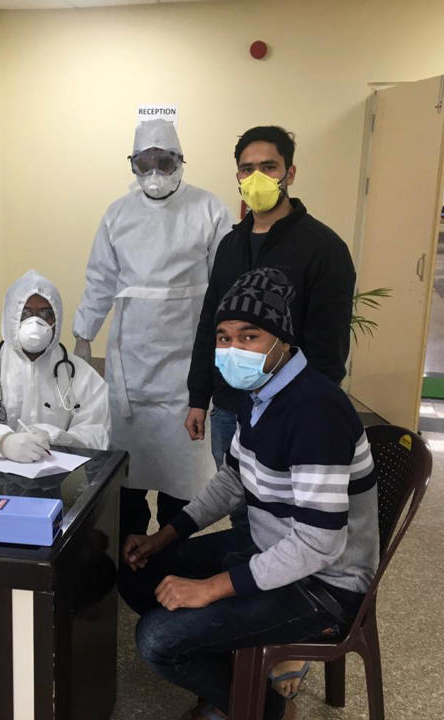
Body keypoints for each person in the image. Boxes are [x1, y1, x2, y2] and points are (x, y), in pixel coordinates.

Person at [121, 268, 378, 720]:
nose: (232, 350)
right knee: (137, 576)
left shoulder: (315, 411)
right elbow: (232, 480)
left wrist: (211, 590)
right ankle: (232, 674)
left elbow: (319, 544)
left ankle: (264, 708)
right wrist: (165, 536)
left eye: (249, 336)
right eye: (223, 337)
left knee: (157, 641)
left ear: (281, 341)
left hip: (324, 583)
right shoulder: (259, 391)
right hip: (270, 543)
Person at [73, 119, 234, 541]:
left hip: (189, 366)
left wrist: (229, 347)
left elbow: (227, 283)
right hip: (132, 364)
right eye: (144, 164)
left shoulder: (210, 209)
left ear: (181, 161)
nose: (155, 173)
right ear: (132, 165)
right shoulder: (118, 214)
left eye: (164, 162)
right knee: (126, 471)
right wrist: (83, 334)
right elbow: (100, 279)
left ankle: (169, 549)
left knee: (181, 478)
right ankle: (126, 550)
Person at [185, 126, 355, 485]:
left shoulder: (323, 248)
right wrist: (199, 397)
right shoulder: (231, 245)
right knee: (236, 498)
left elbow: (329, 343)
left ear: (289, 173)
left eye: (269, 167)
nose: (257, 177)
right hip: (230, 407)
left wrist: (313, 411)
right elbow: (209, 325)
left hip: (291, 408)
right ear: (238, 177)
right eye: (247, 169)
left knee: (281, 507)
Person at [0, 270, 109, 461]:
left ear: (57, 318)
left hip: (59, 475)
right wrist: (2, 442)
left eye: (46, 313)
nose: (35, 322)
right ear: (10, 316)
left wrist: (56, 437)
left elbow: (97, 434)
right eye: (25, 313)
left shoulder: (81, 374)